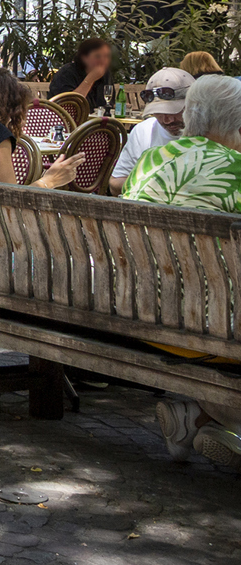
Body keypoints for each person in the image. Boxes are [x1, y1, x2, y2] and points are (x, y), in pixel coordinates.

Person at [123, 74, 241, 471]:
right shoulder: (236, 169)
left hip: (136, 308)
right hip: (206, 325)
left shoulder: (152, 159)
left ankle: (198, 419)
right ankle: (213, 422)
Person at [110, 68, 192, 192]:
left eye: (174, 111)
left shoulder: (214, 132)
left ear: (193, 104)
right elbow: (115, 183)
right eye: (158, 113)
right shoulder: (144, 130)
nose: (167, 120)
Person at [47, 36, 117, 112]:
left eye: (106, 56)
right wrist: (90, 79)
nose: (103, 61)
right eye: (98, 56)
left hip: (97, 121)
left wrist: (119, 107)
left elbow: (107, 104)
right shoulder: (67, 73)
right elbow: (69, 106)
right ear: (84, 57)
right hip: (67, 121)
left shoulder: (106, 75)